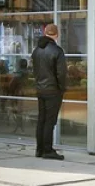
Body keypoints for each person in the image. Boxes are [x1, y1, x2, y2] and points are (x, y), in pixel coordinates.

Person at [31, 23, 66, 161]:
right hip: (53, 91)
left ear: (45, 33)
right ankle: (48, 150)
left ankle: (39, 150)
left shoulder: (36, 50)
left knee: (42, 119)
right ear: (56, 35)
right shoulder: (57, 51)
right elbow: (61, 73)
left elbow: (34, 71)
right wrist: (62, 88)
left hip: (40, 89)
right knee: (50, 121)